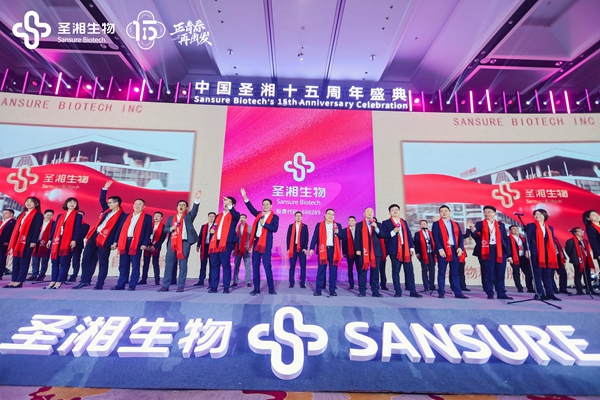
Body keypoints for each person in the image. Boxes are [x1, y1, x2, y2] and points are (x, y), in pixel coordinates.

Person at [73, 181, 127, 290]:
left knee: (103, 261)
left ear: (116, 203)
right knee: (86, 258)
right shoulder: (107, 211)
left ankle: (100, 283)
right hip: (95, 236)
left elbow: (119, 230)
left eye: (110, 202)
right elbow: (102, 200)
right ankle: (85, 281)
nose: (108, 204)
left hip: (106, 239)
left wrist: (115, 242)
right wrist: (105, 189)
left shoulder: (123, 216)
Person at [158, 191, 201, 293]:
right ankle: (165, 285)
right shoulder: (171, 218)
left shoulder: (188, 216)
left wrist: (197, 199)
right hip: (172, 243)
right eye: (179, 205)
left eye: (183, 205)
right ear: (177, 207)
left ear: (186, 208)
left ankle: (181, 285)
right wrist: (170, 229)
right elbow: (165, 229)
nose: (181, 206)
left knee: (183, 264)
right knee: (169, 264)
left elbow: (195, 210)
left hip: (184, 243)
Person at [241, 188, 279, 295]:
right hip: (257, 242)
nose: (265, 206)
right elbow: (251, 209)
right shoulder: (259, 215)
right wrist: (245, 197)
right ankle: (256, 289)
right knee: (255, 265)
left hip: (266, 243)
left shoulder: (275, 217)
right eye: (264, 204)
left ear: (271, 206)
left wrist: (264, 224)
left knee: (267, 266)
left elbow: (274, 229)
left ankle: (271, 289)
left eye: (267, 204)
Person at [381, 204, 422, 298]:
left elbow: (408, 234)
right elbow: (383, 235)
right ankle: (398, 291)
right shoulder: (386, 223)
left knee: (409, 271)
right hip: (394, 250)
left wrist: (411, 247)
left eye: (397, 209)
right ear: (389, 212)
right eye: (393, 210)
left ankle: (413, 291)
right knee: (396, 271)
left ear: (399, 211)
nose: (395, 211)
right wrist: (393, 232)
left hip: (405, 249)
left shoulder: (403, 222)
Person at [472, 206, 512, 300]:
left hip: (500, 250)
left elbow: (505, 239)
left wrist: (508, 254)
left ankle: (501, 293)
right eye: (485, 212)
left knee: (500, 273)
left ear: (494, 213)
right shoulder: (480, 224)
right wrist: (473, 232)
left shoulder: (500, 225)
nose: (487, 214)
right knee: (488, 272)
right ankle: (489, 292)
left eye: (489, 212)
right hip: (486, 250)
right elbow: (476, 237)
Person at [112, 199, 152, 291]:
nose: (137, 205)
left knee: (135, 265)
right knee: (123, 265)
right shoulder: (127, 216)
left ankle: (132, 285)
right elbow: (120, 229)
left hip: (136, 243)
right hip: (124, 242)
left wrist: (144, 243)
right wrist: (115, 241)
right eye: (135, 204)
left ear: (144, 207)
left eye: (139, 204)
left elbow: (148, 231)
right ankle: (120, 285)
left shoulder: (147, 217)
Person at [3, 197, 43, 288]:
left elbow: (37, 229)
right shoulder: (22, 214)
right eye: (27, 201)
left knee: (24, 261)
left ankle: (19, 281)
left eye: (31, 202)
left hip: (28, 241)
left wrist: (33, 241)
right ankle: (13, 280)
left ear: (36, 204)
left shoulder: (38, 215)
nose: (28, 203)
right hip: (18, 241)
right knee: (16, 261)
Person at [45, 198, 83, 289]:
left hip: (67, 241)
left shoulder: (78, 216)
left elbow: (77, 229)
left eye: (74, 202)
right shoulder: (60, 215)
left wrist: (74, 240)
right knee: (54, 262)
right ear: (66, 203)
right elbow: (54, 229)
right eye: (70, 202)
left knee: (64, 262)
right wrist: (50, 240)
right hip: (57, 240)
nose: (72, 204)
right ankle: (53, 280)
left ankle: (59, 281)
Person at [432, 205, 468, 299]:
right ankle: (441, 292)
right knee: (442, 272)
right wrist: (440, 249)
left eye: (446, 211)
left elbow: (460, 237)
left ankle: (458, 293)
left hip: (454, 250)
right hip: (443, 250)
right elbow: (435, 237)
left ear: (449, 212)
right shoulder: (436, 224)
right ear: (439, 213)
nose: (444, 213)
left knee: (455, 273)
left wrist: (460, 247)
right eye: (442, 211)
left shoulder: (455, 224)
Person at [525, 209, 561, 301]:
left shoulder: (550, 228)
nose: (537, 216)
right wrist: (527, 250)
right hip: (535, 252)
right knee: (537, 274)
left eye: (539, 214)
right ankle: (540, 293)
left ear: (545, 215)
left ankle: (550, 293)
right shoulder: (531, 226)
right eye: (535, 214)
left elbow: (551, 241)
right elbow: (527, 239)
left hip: (547, 253)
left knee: (547, 274)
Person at [207, 195, 239, 294]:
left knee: (225, 265)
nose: (226, 203)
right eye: (225, 202)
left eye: (228, 202)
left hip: (226, 243)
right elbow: (214, 226)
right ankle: (213, 287)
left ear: (233, 205)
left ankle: (226, 287)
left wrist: (230, 206)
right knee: (214, 265)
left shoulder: (234, 215)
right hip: (215, 243)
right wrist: (212, 230)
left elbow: (236, 216)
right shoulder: (218, 216)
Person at [309, 209, 343, 296]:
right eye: (329, 214)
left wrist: (338, 232)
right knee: (321, 270)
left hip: (333, 251)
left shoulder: (337, 225)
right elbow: (315, 237)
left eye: (333, 214)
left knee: (333, 271)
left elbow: (343, 237)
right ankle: (318, 290)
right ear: (325, 215)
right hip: (323, 250)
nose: (331, 216)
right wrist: (312, 248)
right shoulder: (319, 225)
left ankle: (332, 290)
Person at [352, 207, 383, 298]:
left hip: (375, 251)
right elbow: (357, 238)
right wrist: (357, 249)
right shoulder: (359, 225)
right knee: (362, 271)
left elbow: (382, 235)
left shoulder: (378, 224)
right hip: (363, 251)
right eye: (367, 211)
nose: (369, 213)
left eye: (371, 211)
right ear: (364, 214)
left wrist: (376, 228)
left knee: (375, 272)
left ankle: (375, 291)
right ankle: (362, 291)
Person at [139, 211, 166, 285]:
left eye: (158, 216)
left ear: (161, 218)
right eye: (155, 216)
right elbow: (145, 234)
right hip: (147, 246)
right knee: (146, 263)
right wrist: (146, 245)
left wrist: (155, 246)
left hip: (156, 247)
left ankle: (157, 280)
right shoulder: (149, 225)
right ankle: (143, 279)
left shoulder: (163, 227)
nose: (156, 217)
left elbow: (162, 239)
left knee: (155, 263)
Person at [565, 227, 594, 295]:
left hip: (586, 259)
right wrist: (574, 257)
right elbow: (568, 251)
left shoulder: (585, 241)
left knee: (587, 275)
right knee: (578, 275)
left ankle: (589, 289)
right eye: (580, 231)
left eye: (582, 231)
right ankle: (579, 290)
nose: (582, 232)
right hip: (577, 260)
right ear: (575, 233)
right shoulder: (571, 241)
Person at [27, 209, 54, 281]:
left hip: (47, 243)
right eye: (47, 215)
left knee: (44, 260)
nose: (49, 216)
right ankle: (34, 274)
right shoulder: (39, 222)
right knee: (35, 259)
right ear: (44, 215)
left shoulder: (53, 223)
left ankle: (41, 275)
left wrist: (50, 241)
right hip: (36, 242)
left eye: (51, 215)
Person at [507, 225, 532, 293]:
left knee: (528, 273)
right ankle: (519, 287)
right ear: (510, 231)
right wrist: (509, 257)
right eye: (513, 229)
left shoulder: (522, 238)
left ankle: (530, 288)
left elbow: (526, 246)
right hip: (514, 258)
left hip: (523, 257)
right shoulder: (508, 238)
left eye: (517, 229)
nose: (516, 230)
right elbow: (507, 248)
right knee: (516, 273)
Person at [287, 211, 309, 288]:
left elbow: (306, 238)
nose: (298, 217)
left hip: (302, 249)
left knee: (303, 266)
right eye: (297, 216)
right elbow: (288, 238)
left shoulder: (305, 226)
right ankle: (291, 282)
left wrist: (305, 248)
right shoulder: (291, 226)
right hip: (293, 248)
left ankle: (302, 283)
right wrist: (288, 248)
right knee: (292, 266)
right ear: (295, 217)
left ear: (302, 217)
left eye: (300, 216)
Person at [193, 212, 216, 287]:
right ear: (208, 217)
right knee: (203, 264)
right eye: (210, 216)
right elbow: (200, 236)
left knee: (212, 264)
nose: (211, 218)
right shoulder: (204, 226)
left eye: (213, 216)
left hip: (212, 247)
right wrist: (198, 245)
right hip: (204, 246)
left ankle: (211, 281)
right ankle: (201, 280)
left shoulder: (216, 226)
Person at [414, 220, 436, 292]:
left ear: (427, 225)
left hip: (431, 253)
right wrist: (417, 253)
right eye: (421, 224)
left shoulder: (431, 233)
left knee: (432, 270)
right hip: (423, 254)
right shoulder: (417, 234)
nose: (423, 225)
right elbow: (416, 244)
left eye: (424, 224)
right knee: (424, 270)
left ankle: (432, 285)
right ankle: (426, 286)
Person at [68, 211, 89, 282]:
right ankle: (63, 275)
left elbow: (82, 236)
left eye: (81, 215)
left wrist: (73, 240)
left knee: (76, 260)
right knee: (66, 260)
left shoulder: (86, 226)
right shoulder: (70, 224)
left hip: (78, 245)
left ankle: (74, 276)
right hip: (67, 244)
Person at [232, 214, 252, 288]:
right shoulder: (236, 228)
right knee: (236, 266)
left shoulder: (250, 228)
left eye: (243, 218)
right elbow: (233, 239)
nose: (242, 219)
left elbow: (252, 239)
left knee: (247, 266)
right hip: (237, 249)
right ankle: (235, 281)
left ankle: (248, 281)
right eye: (241, 218)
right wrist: (233, 249)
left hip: (246, 249)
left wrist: (250, 247)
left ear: (246, 219)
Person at [340, 216, 358, 289]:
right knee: (350, 269)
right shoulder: (344, 231)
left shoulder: (358, 230)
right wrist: (344, 252)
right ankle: (351, 284)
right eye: (349, 220)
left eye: (352, 220)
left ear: (355, 221)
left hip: (358, 253)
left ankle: (361, 284)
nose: (351, 222)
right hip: (349, 252)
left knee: (359, 269)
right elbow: (343, 242)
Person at [0, 209, 16, 280]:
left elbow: (12, 233)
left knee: (1, 258)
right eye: (3, 213)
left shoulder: (13, 222)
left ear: (11, 214)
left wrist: (8, 241)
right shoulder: (2, 222)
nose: (3, 214)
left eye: (6, 213)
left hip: (4, 243)